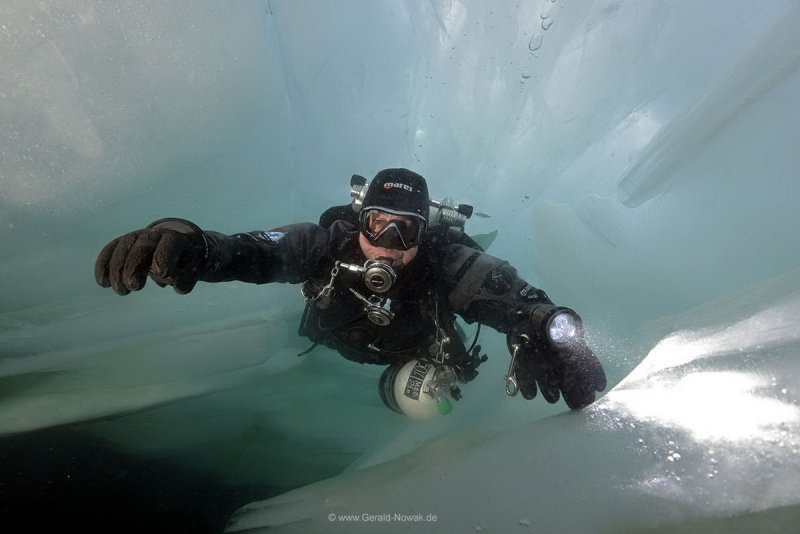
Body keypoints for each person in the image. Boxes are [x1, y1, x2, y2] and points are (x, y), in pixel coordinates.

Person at [95, 168, 606, 419]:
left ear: (424, 235)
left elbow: (514, 297)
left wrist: (550, 327)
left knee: (416, 402)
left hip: (410, 357)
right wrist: (186, 239)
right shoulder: (322, 246)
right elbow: (246, 251)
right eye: (377, 225)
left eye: (405, 231)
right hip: (335, 337)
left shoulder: (447, 263)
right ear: (358, 220)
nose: (387, 245)